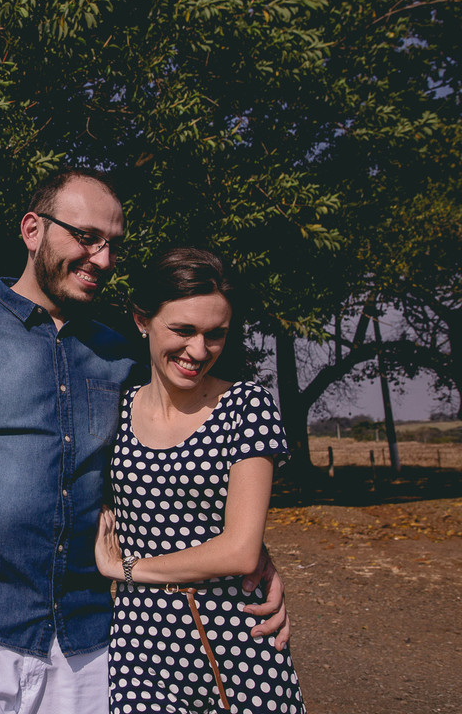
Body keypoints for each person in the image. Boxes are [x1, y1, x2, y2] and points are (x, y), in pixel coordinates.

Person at [0, 170, 290, 714]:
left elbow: (174, 466)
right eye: (87, 236)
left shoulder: (122, 356)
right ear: (32, 229)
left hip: (86, 643)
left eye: (113, 244)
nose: (103, 258)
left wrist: (254, 559)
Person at [95, 247, 305, 713]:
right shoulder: (113, 408)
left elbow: (240, 550)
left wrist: (127, 569)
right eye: (183, 330)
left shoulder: (247, 407)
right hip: (140, 650)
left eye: (216, 335)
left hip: (236, 644)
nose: (198, 350)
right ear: (141, 319)